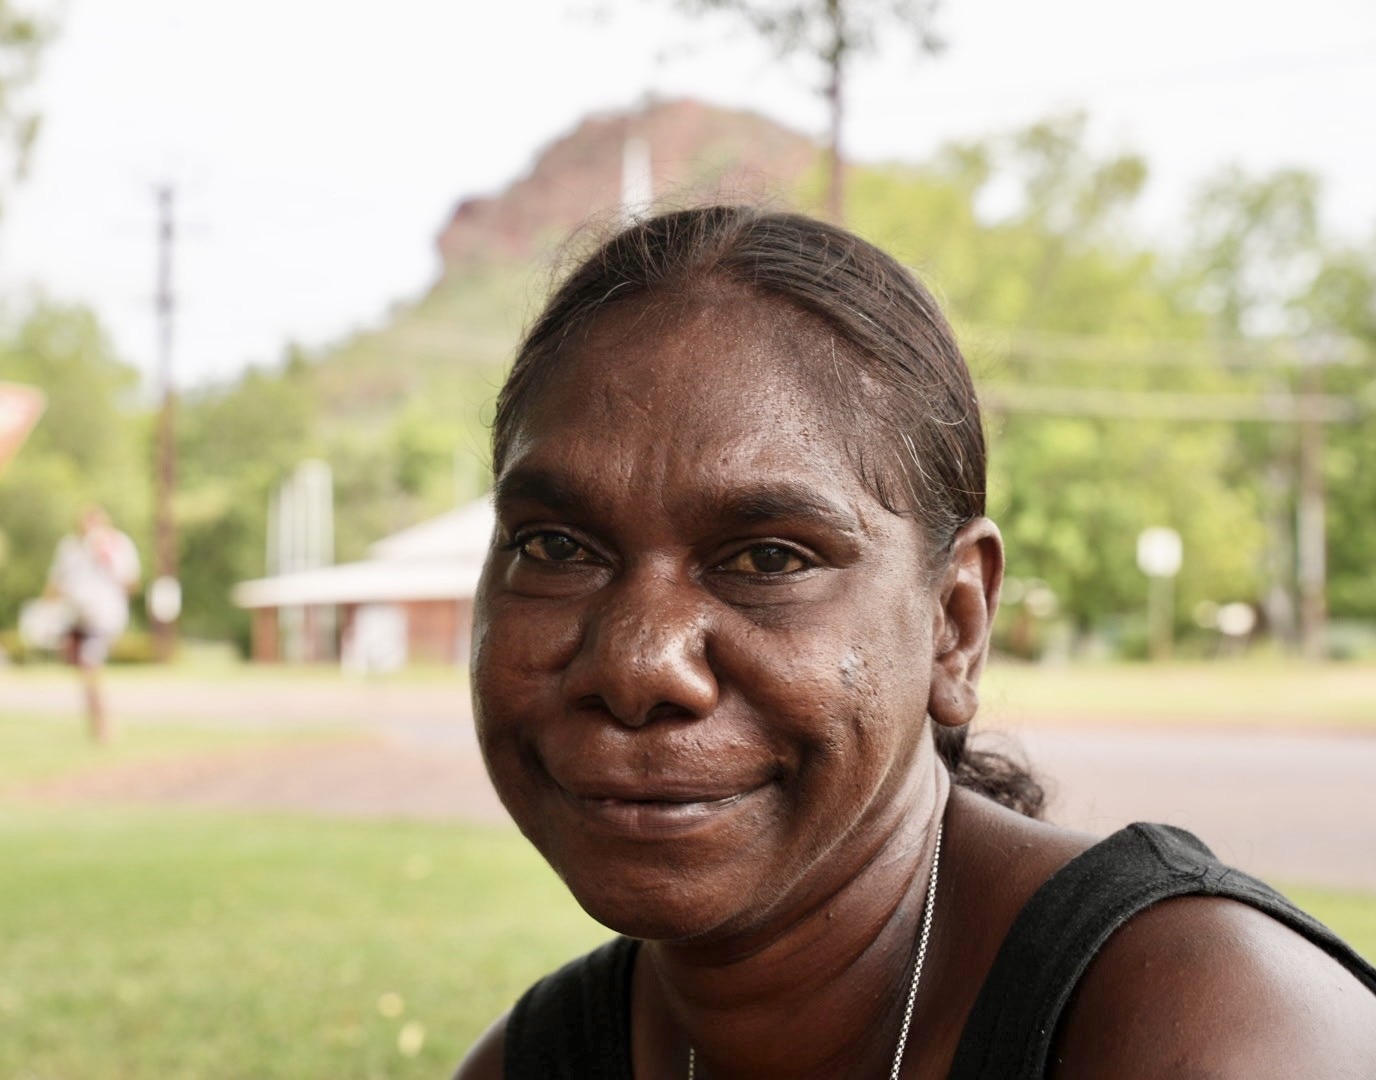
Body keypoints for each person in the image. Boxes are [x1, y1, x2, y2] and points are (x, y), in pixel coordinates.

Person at [455, 206, 1376, 1079]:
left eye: (770, 558)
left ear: (956, 624)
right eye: (556, 548)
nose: (636, 663)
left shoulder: (1208, 1030)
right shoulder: (534, 1062)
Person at [45, 505, 139, 744]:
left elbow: (130, 583)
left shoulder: (118, 544)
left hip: (104, 618)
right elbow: (57, 581)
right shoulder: (69, 547)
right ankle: (98, 722)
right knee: (84, 671)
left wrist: (105, 557)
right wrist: (47, 610)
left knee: (90, 666)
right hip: (76, 617)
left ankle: (103, 726)